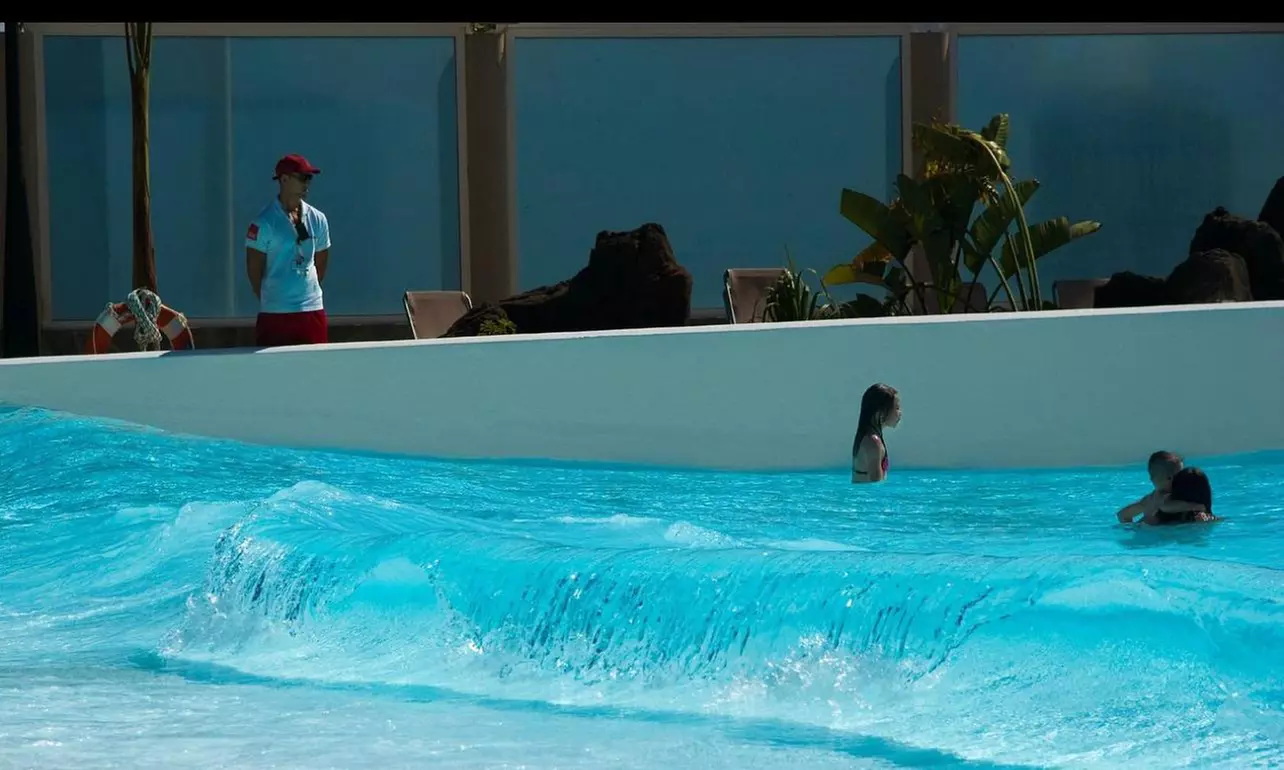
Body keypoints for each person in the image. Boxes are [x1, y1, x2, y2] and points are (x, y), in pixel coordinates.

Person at [244, 154, 332, 347]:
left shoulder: (318, 219)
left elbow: (321, 262)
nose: (307, 183)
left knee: (315, 371)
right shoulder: (264, 223)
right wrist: (274, 297)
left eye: (309, 178)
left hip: (311, 310)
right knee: (274, 373)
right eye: (302, 177)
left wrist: (305, 291)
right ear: (284, 179)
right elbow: (253, 270)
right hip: (276, 314)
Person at [1115, 451, 1213, 524]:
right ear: (1170, 479)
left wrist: (1131, 529)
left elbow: (1123, 515)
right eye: (1180, 475)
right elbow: (1165, 506)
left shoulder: (1148, 499)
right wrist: (1195, 506)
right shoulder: (1165, 496)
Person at [851, 383, 901, 483]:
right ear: (880, 412)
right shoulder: (873, 443)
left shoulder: (868, 437)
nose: (900, 413)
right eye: (896, 408)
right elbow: (876, 486)